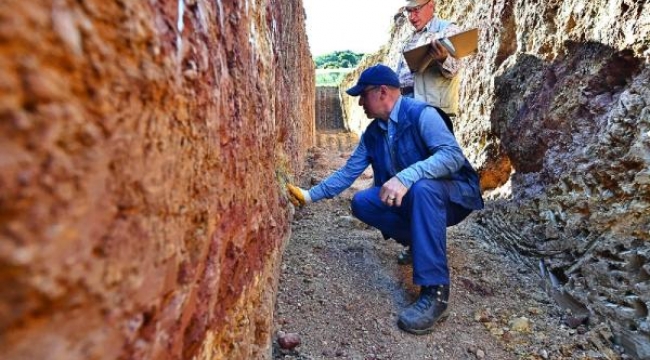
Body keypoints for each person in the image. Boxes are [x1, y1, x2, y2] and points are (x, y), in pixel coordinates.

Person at [287, 64, 483, 335]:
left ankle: (436, 293)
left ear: (381, 92)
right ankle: (420, 241)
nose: (359, 103)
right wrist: (308, 195)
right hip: (417, 201)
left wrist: (405, 177)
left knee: (423, 188)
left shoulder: (422, 114)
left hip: (453, 196)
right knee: (363, 202)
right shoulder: (373, 133)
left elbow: (452, 157)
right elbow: (347, 173)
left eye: (362, 95)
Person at [395, 0, 463, 119]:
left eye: (416, 9)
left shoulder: (447, 30)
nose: (412, 17)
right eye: (408, 11)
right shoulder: (408, 41)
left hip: (432, 112)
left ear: (431, 4)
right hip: (406, 109)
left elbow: (455, 69)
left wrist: (443, 58)